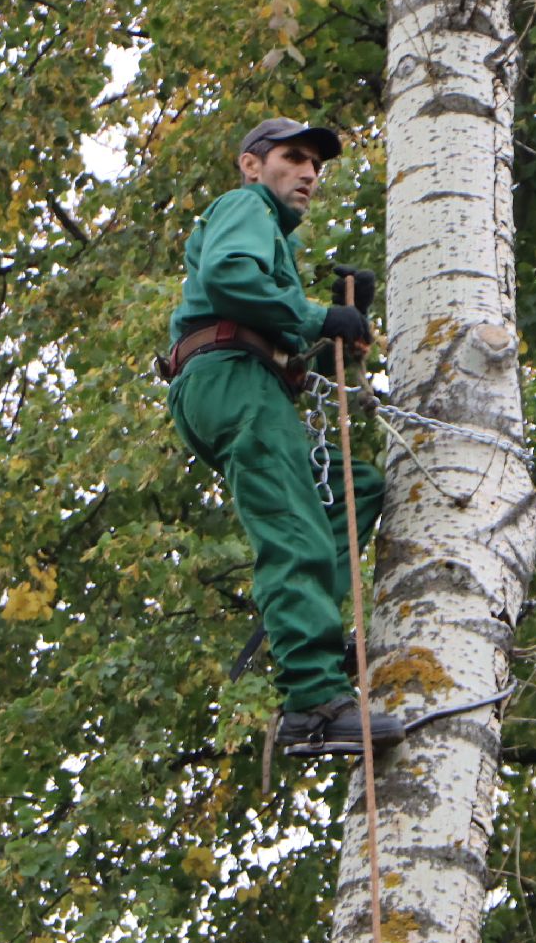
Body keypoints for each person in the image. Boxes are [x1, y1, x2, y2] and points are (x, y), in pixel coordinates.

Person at [160, 116, 405, 753]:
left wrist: (343, 326)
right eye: (294, 158)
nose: (308, 173)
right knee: (294, 528)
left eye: (315, 166)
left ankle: (309, 628)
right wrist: (323, 314)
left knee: (352, 490)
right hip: (231, 379)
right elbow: (230, 282)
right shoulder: (244, 208)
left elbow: (295, 355)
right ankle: (311, 699)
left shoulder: (275, 246)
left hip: (251, 381)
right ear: (252, 164)